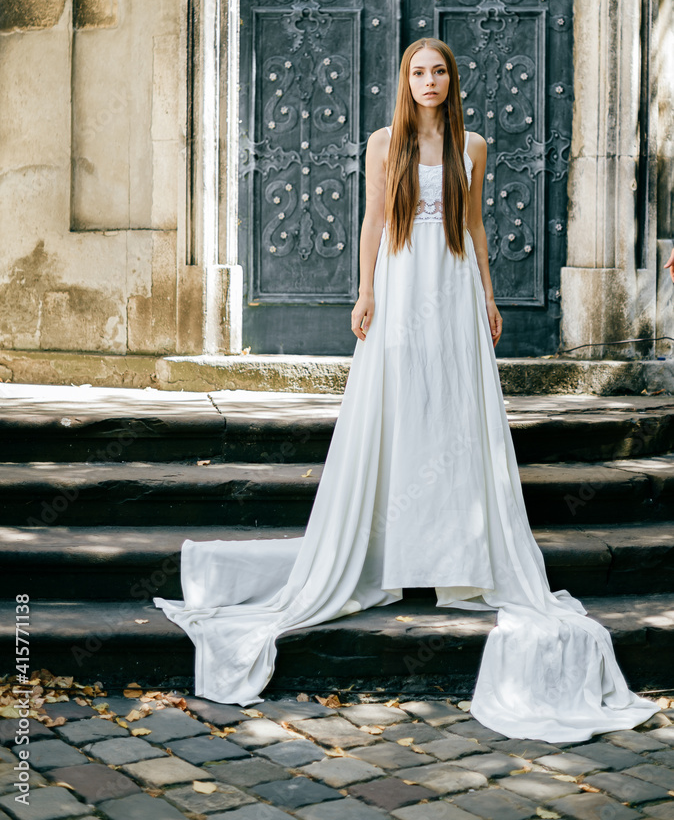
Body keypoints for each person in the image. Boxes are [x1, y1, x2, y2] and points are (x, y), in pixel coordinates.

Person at [154, 37, 658, 741]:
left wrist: (487, 294)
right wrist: (363, 294)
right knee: (399, 408)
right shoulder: (383, 140)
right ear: (406, 80)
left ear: (452, 80)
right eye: (419, 71)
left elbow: (475, 224)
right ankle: (389, 555)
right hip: (397, 283)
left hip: (450, 286)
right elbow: (372, 220)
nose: (429, 80)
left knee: (452, 412)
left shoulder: (472, 145)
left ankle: (456, 560)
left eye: (439, 71)